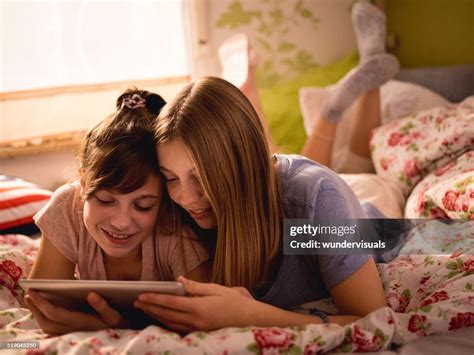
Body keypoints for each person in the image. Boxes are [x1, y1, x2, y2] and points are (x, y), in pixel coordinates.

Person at [132, 75, 388, 333]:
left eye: (200, 177)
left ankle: (339, 107)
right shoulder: (177, 210)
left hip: (376, 223)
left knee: (413, 226)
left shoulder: (312, 203)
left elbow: (373, 323)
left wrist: (250, 315)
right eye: (171, 178)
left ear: (242, 163)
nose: (186, 198)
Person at [25, 88, 209, 334]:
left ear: (163, 199)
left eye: (143, 205)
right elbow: (43, 307)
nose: (121, 223)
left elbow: (204, 315)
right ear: (82, 182)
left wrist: (122, 326)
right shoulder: (67, 206)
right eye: (104, 200)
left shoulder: (173, 223)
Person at [220, 1, 397, 173]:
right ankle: (369, 62)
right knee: (354, 168)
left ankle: (330, 110)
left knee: (295, 180)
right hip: (360, 188)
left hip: (334, 191)